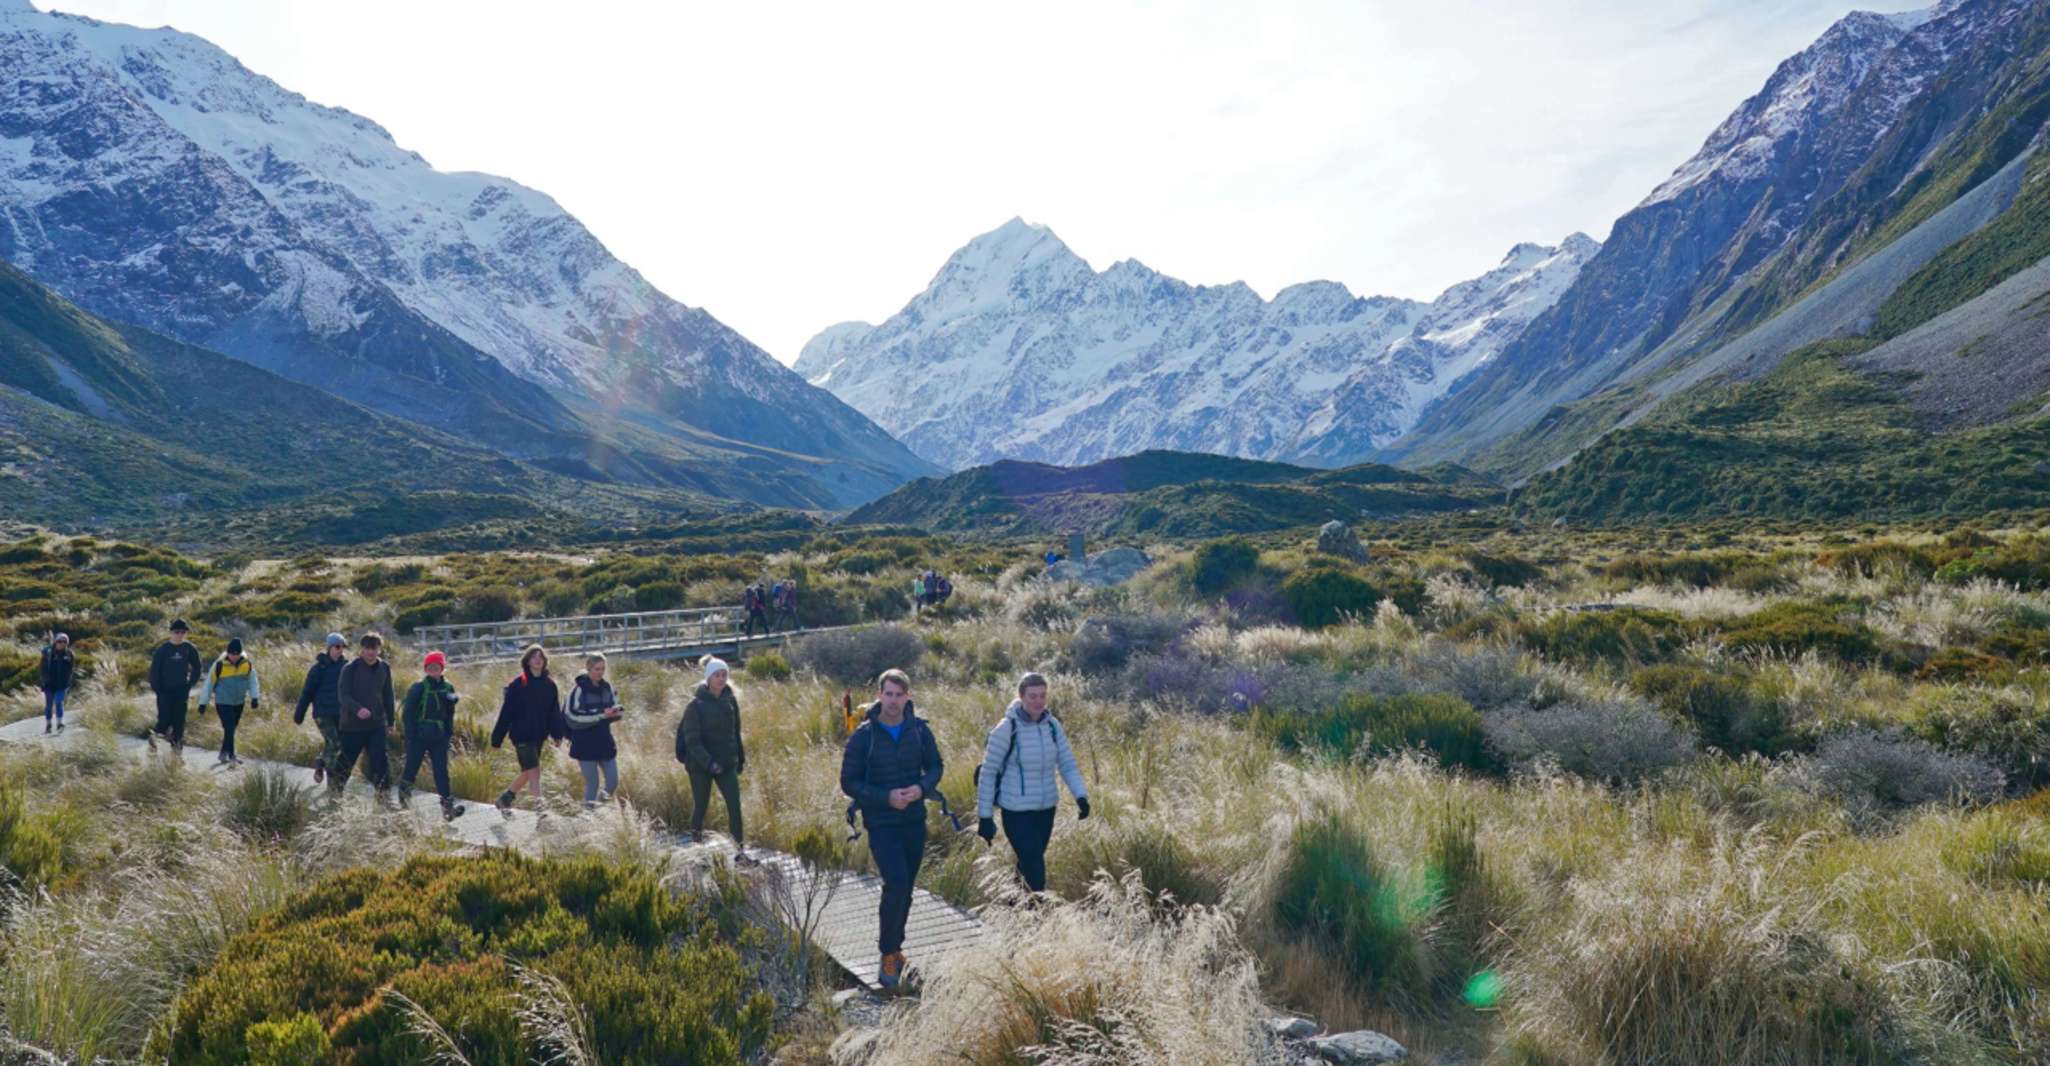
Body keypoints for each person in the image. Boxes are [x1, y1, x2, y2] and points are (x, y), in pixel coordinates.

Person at [839, 668, 943, 990]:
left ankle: (897, 949)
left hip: (914, 820)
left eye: (899, 695)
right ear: (879, 695)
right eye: (888, 694)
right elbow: (848, 782)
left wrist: (920, 788)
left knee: (907, 888)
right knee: (896, 883)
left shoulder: (919, 731)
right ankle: (887, 954)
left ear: (907, 696)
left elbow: (936, 766)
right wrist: (885, 797)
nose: (893, 701)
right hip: (881, 823)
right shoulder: (864, 736)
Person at [975, 672, 1090, 894]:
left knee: (1028, 862)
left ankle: (1014, 908)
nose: (1038, 701)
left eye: (1042, 696)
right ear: (1021, 697)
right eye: (1032, 696)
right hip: (1016, 810)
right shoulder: (1007, 728)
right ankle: (1039, 916)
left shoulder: (1052, 726)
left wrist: (1081, 797)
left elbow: (1067, 764)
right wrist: (985, 817)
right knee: (1034, 864)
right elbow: (988, 773)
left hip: (1046, 809)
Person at [677, 657, 746, 850]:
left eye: (724, 675)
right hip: (700, 766)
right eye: (717, 675)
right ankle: (696, 849)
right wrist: (709, 763)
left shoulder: (730, 701)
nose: (721, 679)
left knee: (735, 807)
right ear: (708, 678)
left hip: (726, 764)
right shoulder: (695, 705)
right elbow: (692, 741)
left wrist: (739, 758)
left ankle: (739, 852)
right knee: (701, 806)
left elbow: (736, 732)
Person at [490, 644, 561, 816]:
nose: (537, 660)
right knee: (535, 772)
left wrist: (557, 734)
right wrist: (497, 739)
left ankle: (505, 799)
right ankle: (541, 811)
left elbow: (554, 711)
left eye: (540, 657)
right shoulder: (518, 684)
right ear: (527, 661)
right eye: (534, 657)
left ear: (544, 662)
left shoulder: (549, 684)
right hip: (521, 736)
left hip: (539, 736)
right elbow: (506, 713)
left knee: (528, 771)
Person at [398, 650, 466, 821]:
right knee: (411, 769)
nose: (434, 669)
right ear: (426, 669)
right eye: (430, 666)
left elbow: (450, 714)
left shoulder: (448, 688)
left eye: (437, 666)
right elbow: (407, 714)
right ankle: (403, 803)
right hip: (418, 737)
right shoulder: (418, 688)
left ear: (442, 668)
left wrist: (447, 734)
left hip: (439, 738)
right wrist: (411, 736)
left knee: (441, 772)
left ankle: (447, 808)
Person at [331, 632, 396, 799]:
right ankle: (335, 793)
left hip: (376, 724)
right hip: (352, 726)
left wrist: (391, 721)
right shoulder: (350, 669)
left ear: (379, 650)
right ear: (362, 649)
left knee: (380, 761)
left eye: (374, 649)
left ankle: (384, 796)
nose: (371, 652)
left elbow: (389, 695)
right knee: (346, 762)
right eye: (367, 648)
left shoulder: (384, 668)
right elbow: (343, 696)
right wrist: (358, 709)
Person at [564, 652, 623, 810]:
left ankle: (593, 811)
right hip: (584, 743)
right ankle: (587, 818)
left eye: (603, 669)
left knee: (612, 783)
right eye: (597, 669)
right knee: (593, 784)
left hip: (604, 741)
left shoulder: (608, 687)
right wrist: (601, 714)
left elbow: (618, 709)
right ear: (588, 669)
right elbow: (571, 716)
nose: (600, 672)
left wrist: (615, 712)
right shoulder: (577, 690)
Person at [196, 638, 261, 767]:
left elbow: (253, 681)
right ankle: (232, 756)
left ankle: (223, 753)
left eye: (237, 653)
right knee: (230, 727)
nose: (234, 656)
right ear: (227, 652)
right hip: (223, 702)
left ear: (241, 653)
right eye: (232, 653)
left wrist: (255, 698)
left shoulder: (247, 664)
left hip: (239, 702)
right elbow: (209, 684)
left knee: (230, 729)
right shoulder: (219, 665)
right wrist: (203, 703)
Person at [295, 633, 349, 784]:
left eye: (342, 647)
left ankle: (320, 763)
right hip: (322, 713)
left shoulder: (346, 667)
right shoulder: (318, 669)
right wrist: (299, 713)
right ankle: (332, 779)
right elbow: (307, 692)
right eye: (337, 647)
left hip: (340, 713)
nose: (340, 650)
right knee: (336, 743)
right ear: (329, 648)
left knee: (333, 744)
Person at [144, 619, 201, 752]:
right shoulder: (163, 650)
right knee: (164, 720)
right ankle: (154, 737)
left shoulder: (189, 648)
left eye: (183, 632)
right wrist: (158, 690)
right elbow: (154, 671)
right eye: (177, 632)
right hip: (165, 691)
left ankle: (177, 751)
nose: (180, 635)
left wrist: (190, 683)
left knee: (179, 722)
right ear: (171, 633)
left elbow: (197, 667)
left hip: (181, 691)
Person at [38, 632, 73, 735]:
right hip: (49, 685)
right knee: (49, 705)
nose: (61, 643)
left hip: (61, 685)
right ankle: (48, 725)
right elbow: (42, 669)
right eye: (59, 641)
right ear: (55, 641)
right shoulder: (48, 653)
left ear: (67, 643)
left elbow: (70, 670)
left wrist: (68, 683)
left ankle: (59, 724)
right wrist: (44, 681)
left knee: (59, 702)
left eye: (64, 642)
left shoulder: (69, 654)